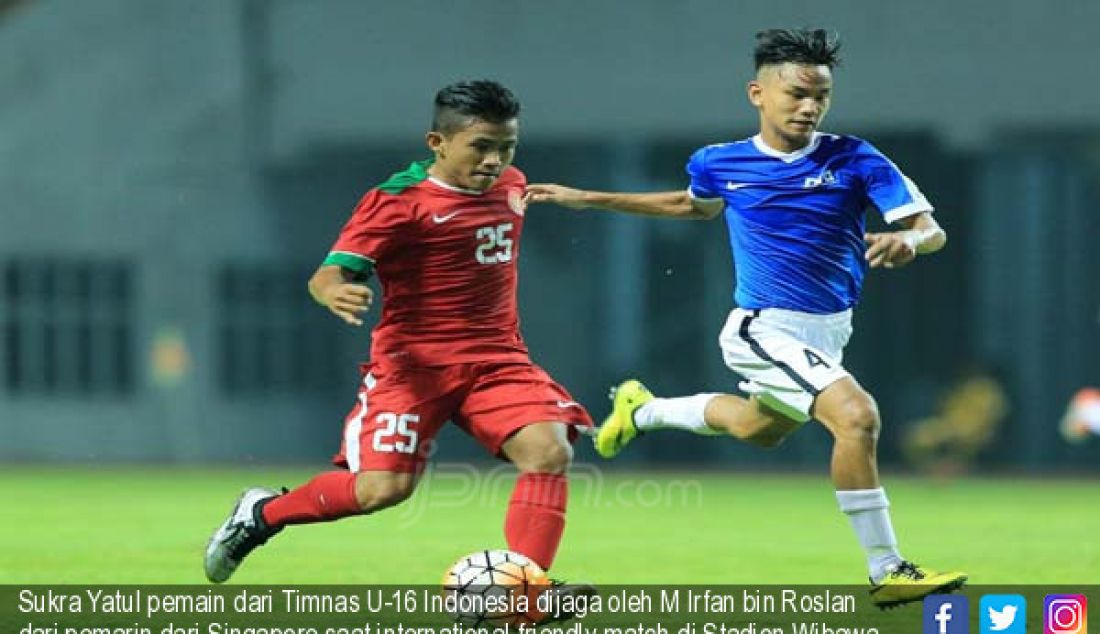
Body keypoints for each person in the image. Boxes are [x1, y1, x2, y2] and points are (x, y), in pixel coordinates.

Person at [526, 29, 966, 608]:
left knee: (756, 429)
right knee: (857, 417)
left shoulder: (855, 157)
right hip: (763, 328)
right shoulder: (719, 162)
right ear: (757, 93)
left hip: (829, 332)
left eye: (821, 96)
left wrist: (913, 242)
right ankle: (888, 568)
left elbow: (929, 227)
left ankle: (645, 409)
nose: (809, 106)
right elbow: (692, 204)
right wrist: (589, 198)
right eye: (796, 94)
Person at [204, 81, 594, 597]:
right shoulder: (397, 203)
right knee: (381, 490)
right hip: (413, 372)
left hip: (497, 362)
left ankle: (522, 593)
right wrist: (335, 293)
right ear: (437, 143)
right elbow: (325, 276)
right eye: (481, 146)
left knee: (548, 452)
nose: (495, 160)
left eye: (507, 147)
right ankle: (262, 513)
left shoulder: (512, 185)